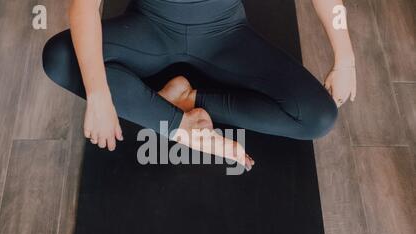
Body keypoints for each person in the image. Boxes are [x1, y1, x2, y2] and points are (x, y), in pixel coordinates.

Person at [43, 0, 356, 171]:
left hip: (225, 35)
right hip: (150, 29)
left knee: (318, 117)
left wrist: (345, 59)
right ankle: (182, 127)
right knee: (59, 58)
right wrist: (97, 95)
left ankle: (188, 98)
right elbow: (83, 7)